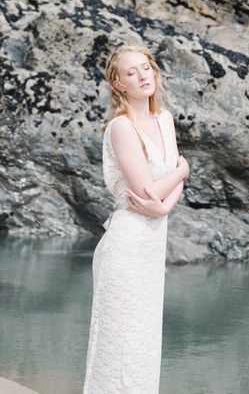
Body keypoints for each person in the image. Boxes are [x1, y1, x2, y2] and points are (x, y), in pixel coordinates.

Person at [82, 43, 190, 394]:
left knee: (144, 346)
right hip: (125, 249)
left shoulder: (165, 121)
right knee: (119, 347)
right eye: (132, 72)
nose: (143, 75)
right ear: (118, 84)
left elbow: (160, 195)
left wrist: (163, 206)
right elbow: (148, 191)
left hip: (150, 248)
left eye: (146, 68)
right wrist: (183, 170)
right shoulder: (121, 128)